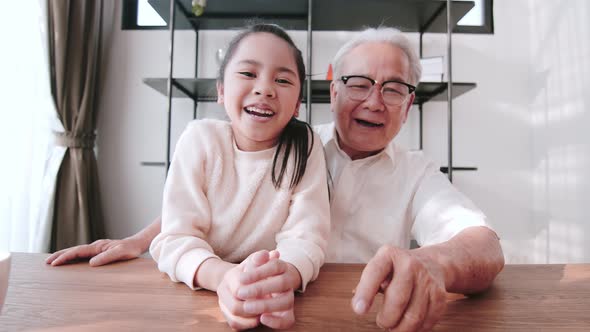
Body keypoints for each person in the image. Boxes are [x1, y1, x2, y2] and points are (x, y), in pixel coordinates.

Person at [47, 26, 504, 331]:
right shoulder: (287, 139)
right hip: (257, 306)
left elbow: (484, 245)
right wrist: (144, 238)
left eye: (394, 89)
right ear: (333, 86)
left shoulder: (417, 172)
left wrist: (434, 263)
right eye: (360, 83)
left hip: (357, 317)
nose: (375, 101)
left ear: (408, 105)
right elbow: (212, 201)